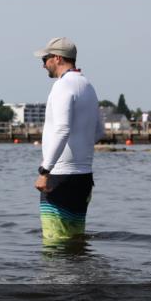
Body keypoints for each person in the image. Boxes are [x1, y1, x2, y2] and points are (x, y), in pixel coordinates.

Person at [33, 37, 103, 244]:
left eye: (45, 59)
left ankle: (59, 277)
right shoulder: (88, 86)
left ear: (57, 58)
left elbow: (62, 129)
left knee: (55, 243)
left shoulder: (62, 86)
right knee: (74, 240)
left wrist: (45, 171)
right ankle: (78, 276)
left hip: (60, 176)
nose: (43, 64)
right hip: (83, 177)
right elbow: (99, 131)